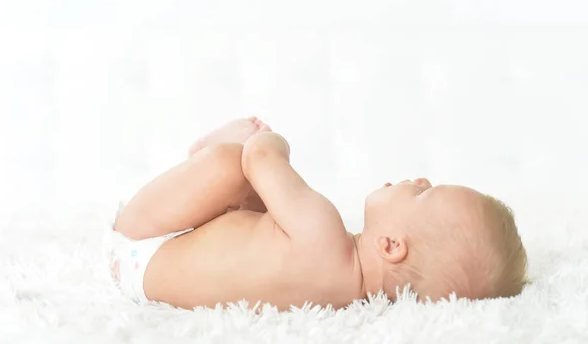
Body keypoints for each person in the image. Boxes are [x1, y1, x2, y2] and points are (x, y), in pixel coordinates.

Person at [105, 117, 527, 311]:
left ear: (391, 246)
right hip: (150, 282)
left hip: (141, 243)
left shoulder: (324, 232)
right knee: (267, 212)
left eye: (423, 194)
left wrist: (269, 141)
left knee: (231, 163)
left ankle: (198, 156)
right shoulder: (342, 298)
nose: (419, 178)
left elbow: (261, 160)